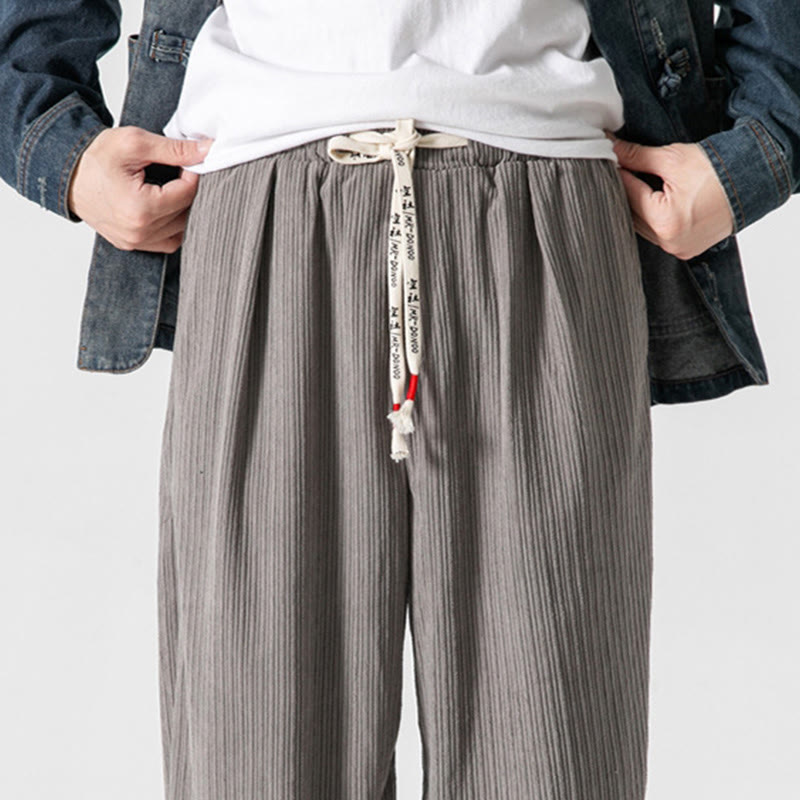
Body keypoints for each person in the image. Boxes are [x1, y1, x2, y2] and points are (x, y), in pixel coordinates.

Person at [1, 1, 798, 798]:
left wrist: (761, 146)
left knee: (553, 760)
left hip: (546, 206)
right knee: (257, 761)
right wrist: (60, 151)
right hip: (264, 209)